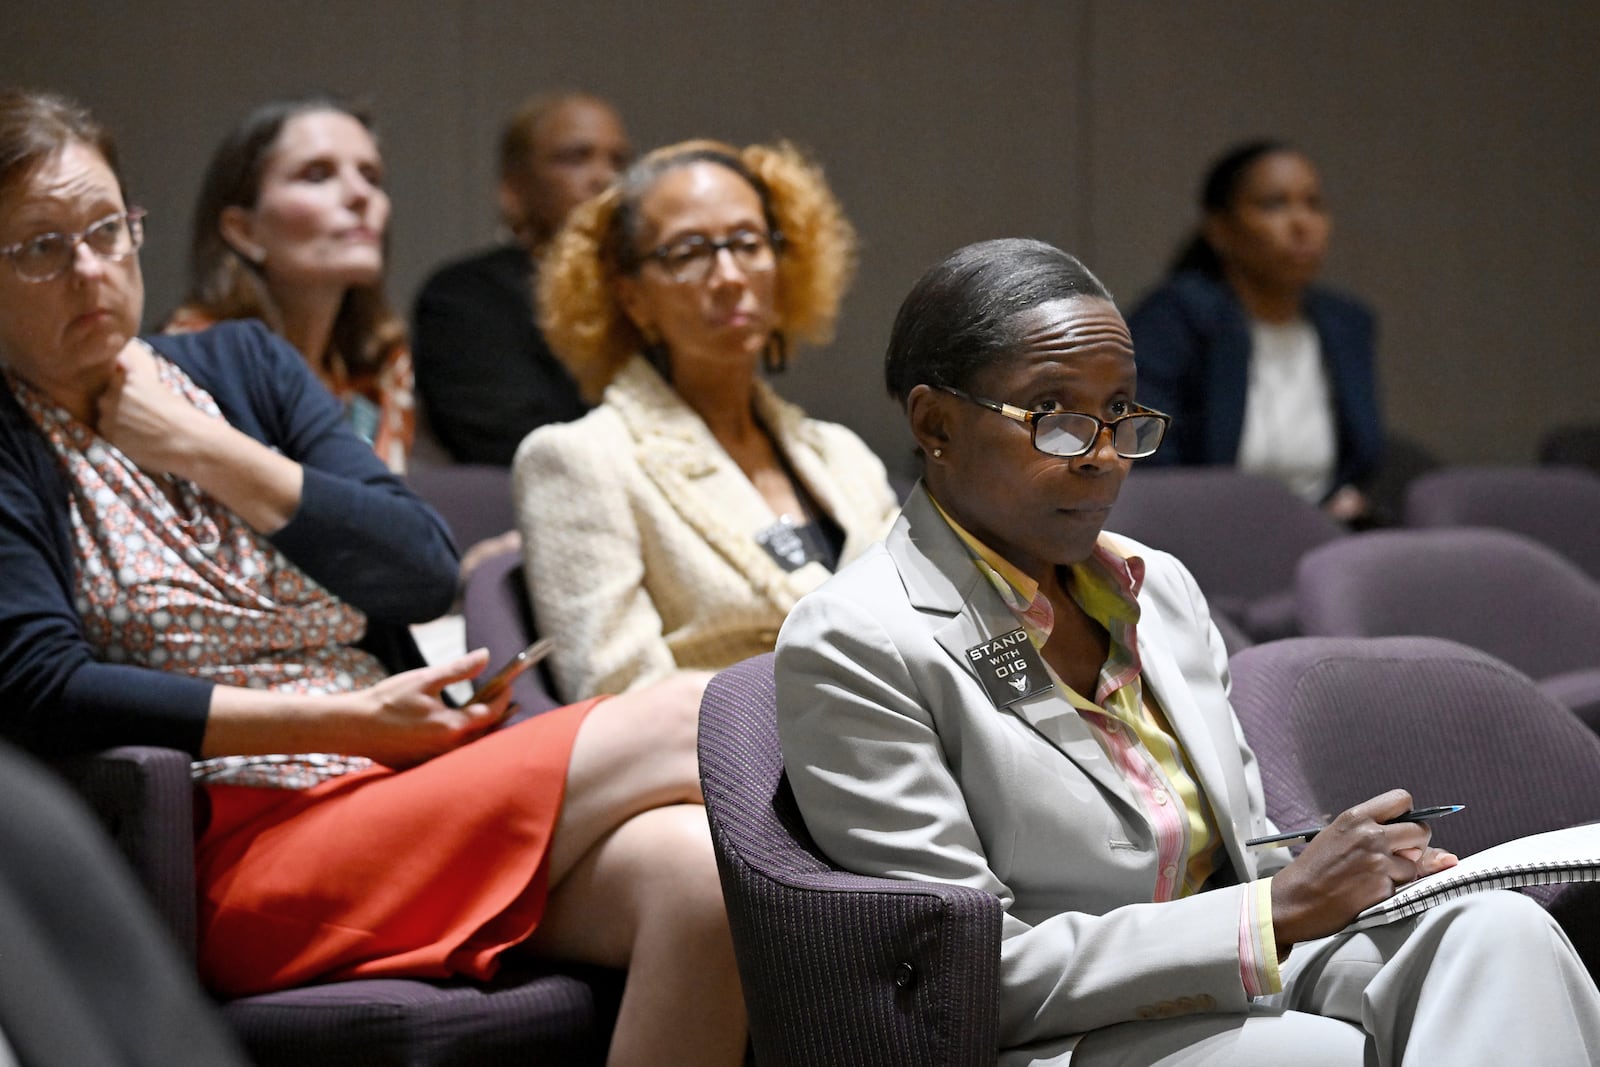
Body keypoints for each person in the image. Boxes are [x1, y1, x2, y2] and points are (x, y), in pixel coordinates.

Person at [0, 89, 744, 1066]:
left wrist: (201, 445)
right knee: (702, 714)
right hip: (244, 840)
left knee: (700, 881)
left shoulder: (239, 363)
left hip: (401, 785)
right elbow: (40, 686)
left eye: (105, 228)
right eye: (40, 248)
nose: (90, 267)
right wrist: (346, 723)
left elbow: (416, 564)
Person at [775, 237, 1600, 1064]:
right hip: (1067, 1034)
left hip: (1239, 970)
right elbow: (968, 971)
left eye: (1122, 413)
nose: (1101, 454)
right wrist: (1269, 913)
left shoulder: (1155, 584)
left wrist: (1342, 868)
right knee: (1322, 1055)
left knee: (1503, 932)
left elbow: (1242, 846)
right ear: (936, 423)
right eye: (1056, 416)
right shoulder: (858, 637)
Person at [514, 138, 899, 703]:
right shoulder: (579, 459)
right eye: (688, 252)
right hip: (734, 777)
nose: (728, 275)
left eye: (748, 243)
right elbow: (618, 692)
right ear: (631, 297)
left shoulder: (841, 455)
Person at [1128, 140, 1383, 524]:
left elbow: (1361, 456)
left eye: (1314, 205)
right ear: (1219, 230)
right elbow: (1148, 451)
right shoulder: (1177, 319)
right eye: (1274, 205)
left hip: (1323, 529)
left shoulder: (1346, 323)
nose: (1301, 224)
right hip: (1204, 533)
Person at [168, 97, 415, 473]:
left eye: (371, 176)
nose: (361, 195)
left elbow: (383, 521)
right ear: (244, 230)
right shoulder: (192, 364)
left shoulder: (378, 364)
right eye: (317, 175)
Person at [412, 92, 629, 465]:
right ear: (514, 189)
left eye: (619, 161)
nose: (605, 178)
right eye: (576, 157)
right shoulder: (464, 297)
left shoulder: (648, 294)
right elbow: (515, 443)